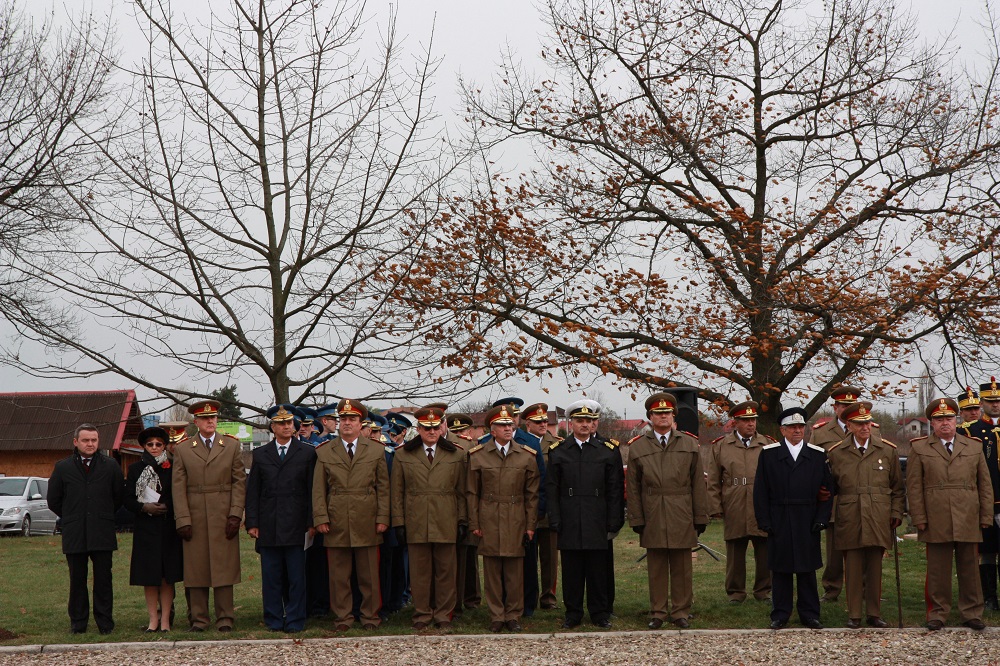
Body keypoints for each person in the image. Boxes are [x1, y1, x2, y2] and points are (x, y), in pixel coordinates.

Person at [909, 397, 993, 631]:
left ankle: (972, 612)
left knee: (969, 568)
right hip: (936, 516)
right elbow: (914, 487)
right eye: (939, 419)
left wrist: (986, 516)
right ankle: (937, 613)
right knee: (938, 569)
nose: (944, 423)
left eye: (948, 418)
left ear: (956, 420)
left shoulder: (973, 446)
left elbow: (984, 484)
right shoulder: (919, 448)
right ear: (932, 423)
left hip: (968, 514)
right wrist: (919, 518)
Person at [627, 392, 709, 629]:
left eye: (667, 413)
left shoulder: (689, 443)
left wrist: (700, 515)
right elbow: (633, 487)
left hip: (682, 510)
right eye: (658, 413)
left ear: (674, 415)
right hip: (652, 510)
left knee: (682, 565)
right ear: (650, 417)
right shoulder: (638, 447)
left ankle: (681, 611)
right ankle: (658, 612)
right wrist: (636, 517)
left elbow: (697, 484)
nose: (663, 417)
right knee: (657, 566)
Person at [825, 401, 904, 628]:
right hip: (850, 514)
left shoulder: (887, 450)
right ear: (849, 425)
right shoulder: (836, 453)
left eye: (867, 423)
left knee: (874, 565)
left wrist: (896, 512)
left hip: (879, 515)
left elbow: (897, 488)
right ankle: (854, 615)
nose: (865, 428)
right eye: (859, 424)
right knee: (852, 565)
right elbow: (830, 489)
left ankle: (874, 613)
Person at [312, 399, 390, 631]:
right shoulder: (324, 451)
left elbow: (383, 488)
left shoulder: (376, 450)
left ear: (360, 423)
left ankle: (370, 617)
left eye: (352, 419)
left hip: (367, 519)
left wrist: (383, 518)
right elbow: (318, 490)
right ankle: (343, 618)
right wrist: (321, 518)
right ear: (338, 423)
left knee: (369, 576)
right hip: (336, 520)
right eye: (343, 419)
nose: (347, 423)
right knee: (339, 576)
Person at [753, 406, 833, 630]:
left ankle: (810, 614)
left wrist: (822, 518)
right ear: (783, 430)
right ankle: (780, 614)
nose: (797, 430)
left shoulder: (817, 455)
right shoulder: (769, 454)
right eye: (792, 427)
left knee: (807, 569)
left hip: (807, 518)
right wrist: (764, 520)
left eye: (800, 426)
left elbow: (827, 490)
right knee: (781, 569)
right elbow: (760, 490)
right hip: (780, 516)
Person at [547, 402, 624, 629]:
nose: (585, 425)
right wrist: (555, 518)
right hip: (569, 516)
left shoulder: (607, 450)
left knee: (597, 569)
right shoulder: (559, 451)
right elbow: (552, 488)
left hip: (597, 517)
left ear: (594, 424)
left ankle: (599, 613)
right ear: (571, 423)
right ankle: (573, 613)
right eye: (580, 421)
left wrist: (614, 520)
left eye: (589, 421)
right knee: (572, 569)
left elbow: (615, 489)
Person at [391, 406, 468, 630]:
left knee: (446, 571)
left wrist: (463, 520)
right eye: (427, 428)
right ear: (419, 428)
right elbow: (397, 493)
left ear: (441, 426)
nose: (432, 432)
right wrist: (399, 522)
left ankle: (444, 614)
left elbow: (462, 492)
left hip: (446, 519)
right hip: (416, 520)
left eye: (435, 427)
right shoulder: (403, 454)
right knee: (420, 573)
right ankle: (422, 614)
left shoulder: (457, 453)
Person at [172, 399, 246, 632]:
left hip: (224, 512)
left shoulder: (232, 446)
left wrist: (236, 514)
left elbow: (239, 483)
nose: (210, 421)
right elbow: (178, 487)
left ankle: (225, 618)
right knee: (196, 569)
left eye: (213, 418)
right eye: (205, 418)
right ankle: (199, 619)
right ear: (196, 422)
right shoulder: (184, 449)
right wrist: (182, 519)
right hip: (194, 514)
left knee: (224, 567)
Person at [467, 405, 540, 632]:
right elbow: (471, 493)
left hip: (515, 517)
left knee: (514, 571)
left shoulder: (526, 456)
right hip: (488, 517)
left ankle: (513, 615)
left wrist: (530, 525)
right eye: (502, 425)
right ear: (492, 429)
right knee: (492, 571)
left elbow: (532, 495)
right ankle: (496, 615)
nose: (508, 428)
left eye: (510, 424)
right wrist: (474, 523)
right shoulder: (478, 455)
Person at [47, 424, 125, 635]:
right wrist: (72, 515)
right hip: (75, 532)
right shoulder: (62, 467)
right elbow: (53, 500)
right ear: (75, 442)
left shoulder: (110, 466)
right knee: (77, 579)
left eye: (94, 440)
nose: (90, 444)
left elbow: (118, 497)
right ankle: (78, 623)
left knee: (103, 579)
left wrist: (102, 514)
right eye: (85, 440)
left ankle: (105, 623)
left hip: (102, 530)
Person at [246, 404, 317, 633]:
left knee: (297, 578)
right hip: (269, 524)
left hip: (297, 524)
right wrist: (253, 522)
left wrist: (311, 522)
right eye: (281, 423)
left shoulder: (307, 453)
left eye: (290, 423)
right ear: (273, 427)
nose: (287, 427)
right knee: (272, 578)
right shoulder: (260, 453)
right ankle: (274, 619)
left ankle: (296, 619)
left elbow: (311, 491)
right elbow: (253, 491)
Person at [705, 401, 771, 605]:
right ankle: (735, 592)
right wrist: (715, 507)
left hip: (761, 503)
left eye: (753, 420)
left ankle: (764, 591)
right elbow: (713, 480)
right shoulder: (721, 446)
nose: (751, 424)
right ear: (736, 422)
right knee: (735, 550)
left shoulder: (767, 444)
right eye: (746, 420)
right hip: (733, 501)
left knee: (765, 550)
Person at [124, 426, 184, 632]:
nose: (155, 447)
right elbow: (127, 499)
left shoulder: (173, 466)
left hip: (168, 527)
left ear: (165, 445)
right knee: (149, 576)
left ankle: (166, 621)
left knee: (167, 576)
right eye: (150, 444)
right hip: (145, 528)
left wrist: (169, 506)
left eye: (159, 444)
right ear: (144, 446)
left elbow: (180, 493)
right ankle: (153, 620)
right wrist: (143, 507)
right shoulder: (135, 469)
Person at [809, 385, 861, 603]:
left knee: (863, 544)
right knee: (833, 548)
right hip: (833, 498)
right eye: (843, 406)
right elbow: (811, 463)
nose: (847, 409)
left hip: (860, 496)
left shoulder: (869, 429)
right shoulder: (821, 432)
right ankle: (832, 588)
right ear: (836, 407)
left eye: (852, 405)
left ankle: (864, 587)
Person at [961, 379, 1000, 611]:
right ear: (982, 402)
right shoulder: (969, 431)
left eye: (998, 401)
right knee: (986, 551)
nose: (995, 405)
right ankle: (989, 597)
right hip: (983, 500)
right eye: (990, 401)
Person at [522, 402, 562, 610]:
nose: (543, 424)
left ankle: (548, 597)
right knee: (526, 557)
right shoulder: (520, 442)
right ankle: (526, 596)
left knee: (549, 557)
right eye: (538, 422)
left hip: (548, 509)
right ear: (528, 423)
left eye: (546, 421)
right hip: (524, 509)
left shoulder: (556, 444)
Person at [448, 412, 482, 615]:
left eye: (461, 431)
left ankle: (472, 597)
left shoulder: (471, 447)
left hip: (468, 507)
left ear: (469, 431)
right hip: (451, 508)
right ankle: (457, 600)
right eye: (454, 431)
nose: (458, 434)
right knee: (455, 558)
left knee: (469, 556)